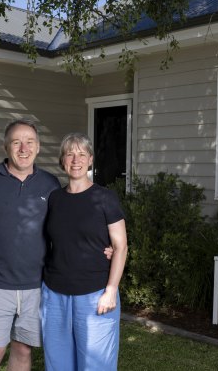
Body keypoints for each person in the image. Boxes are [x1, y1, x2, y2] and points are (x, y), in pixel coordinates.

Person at [0, 119, 61, 371]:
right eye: (17, 142)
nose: (23, 148)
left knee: (23, 351)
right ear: (6, 147)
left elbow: (65, 231)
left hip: (36, 288)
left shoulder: (50, 184)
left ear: (38, 147)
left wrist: (102, 247)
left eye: (30, 142)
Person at [41, 132, 128, 371]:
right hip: (54, 295)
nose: (76, 159)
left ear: (90, 160)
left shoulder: (105, 198)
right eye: (70, 154)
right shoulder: (55, 199)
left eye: (82, 154)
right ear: (63, 160)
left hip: (95, 294)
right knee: (58, 364)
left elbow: (120, 246)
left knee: (95, 365)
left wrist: (111, 291)